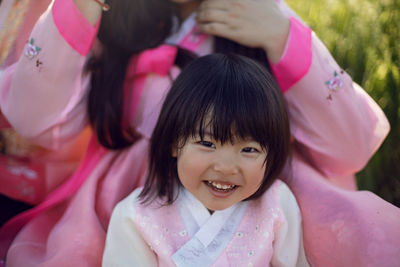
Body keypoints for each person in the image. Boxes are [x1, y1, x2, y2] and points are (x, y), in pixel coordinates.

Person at [0, 0, 398, 266]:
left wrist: (281, 36)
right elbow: (30, 118)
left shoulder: (259, 11)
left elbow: (353, 145)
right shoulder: (109, 15)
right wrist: (78, 10)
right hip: (124, 191)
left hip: (258, 181)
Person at [103, 53, 310, 266]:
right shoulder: (136, 217)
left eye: (249, 149)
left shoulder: (276, 203)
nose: (226, 167)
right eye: (208, 144)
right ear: (174, 142)